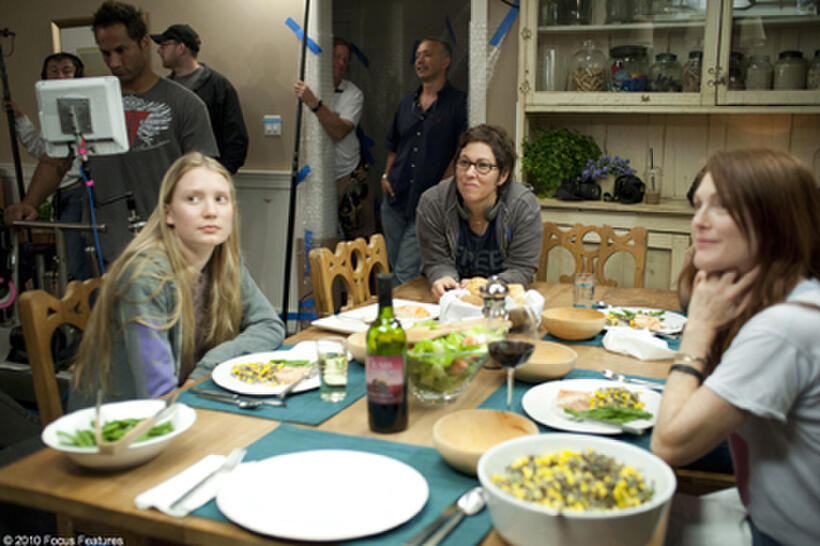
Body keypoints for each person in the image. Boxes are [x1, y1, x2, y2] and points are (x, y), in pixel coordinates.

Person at [650, 149, 820, 546]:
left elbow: (669, 442)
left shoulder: (783, 328)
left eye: (722, 206)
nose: (699, 221)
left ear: (775, 220)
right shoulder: (792, 295)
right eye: (698, 205)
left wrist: (698, 330)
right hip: (766, 510)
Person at [3, 1, 218, 265]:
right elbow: (57, 158)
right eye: (106, 53)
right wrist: (30, 202)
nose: (114, 62)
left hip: (169, 245)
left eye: (121, 50)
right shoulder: (84, 102)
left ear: (143, 43)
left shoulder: (185, 104)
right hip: (103, 244)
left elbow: (205, 177)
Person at [69, 152, 285, 408]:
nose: (210, 211)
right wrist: (201, 378)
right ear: (168, 213)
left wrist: (210, 365)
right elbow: (157, 392)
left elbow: (269, 325)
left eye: (221, 199)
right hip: (119, 428)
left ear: (233, 212)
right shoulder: (145, 277)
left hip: (184, 401)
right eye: (193, 199)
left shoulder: (226, 262)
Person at [416, 124, 543, 302]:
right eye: (464, 163)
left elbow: (522, 269)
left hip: (503, 302)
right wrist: (443, 277)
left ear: (503, 176)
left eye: (483, 166)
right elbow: (436, 261)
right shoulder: (433, 203)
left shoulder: (523, 206)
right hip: (450, 302)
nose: (469, 173)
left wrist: (486, 287)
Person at [380, 38, 467, 285]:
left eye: (427, 55)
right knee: (394, 268)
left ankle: (396, 320)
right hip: (395, 199)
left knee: (405, 272)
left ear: (445, 61)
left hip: (427, 204)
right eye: (418, 55)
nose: (420, 60)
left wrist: (441, 189)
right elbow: (393, 145)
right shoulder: (407, 103)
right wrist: (386, 176)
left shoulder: (457, 103)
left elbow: (460, 153)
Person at [3, 53, 92, 281]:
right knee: (66, 265)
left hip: (77, 194)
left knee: (76, 266)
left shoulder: (83, 108)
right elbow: (44, 152)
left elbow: (63, 158)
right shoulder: (51, 114)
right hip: (59, 196)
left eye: (66, 70)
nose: (59, 75)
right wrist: (21, 119)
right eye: (53, 70)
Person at [293, 37, 372, 239]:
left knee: (359, 240)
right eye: (336, 57)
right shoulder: (307, 89)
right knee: (321, 238)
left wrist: (314, 104)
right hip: (315, 178)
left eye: (345, 60)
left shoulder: (353, 94)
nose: (340, 63)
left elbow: (339, 131)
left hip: (347, 176)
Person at [152, 23, 248, 174]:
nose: (159, 51)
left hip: (206, 177)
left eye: (164, 45)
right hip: (170, 179)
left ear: (181, 48)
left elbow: (237, 140)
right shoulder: (164, 90)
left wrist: (218, 175)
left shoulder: (218, 87)